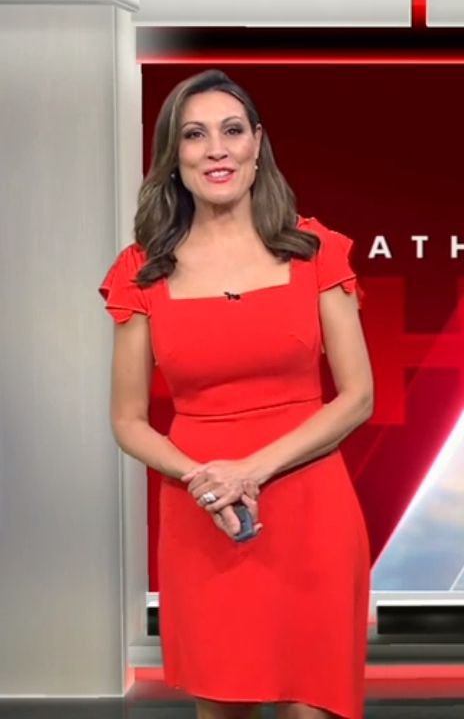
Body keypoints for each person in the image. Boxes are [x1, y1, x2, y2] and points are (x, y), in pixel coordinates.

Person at [98, 69, 374, 719]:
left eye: (231, 131)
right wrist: (205, 480)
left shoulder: (315, 251)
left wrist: (250, 469)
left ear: (257, 144)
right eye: (195, 135)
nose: (216, 149)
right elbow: (128, 420)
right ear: (174, 156)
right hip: (206, 513)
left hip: (311, 508)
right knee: (223, 705)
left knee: (313, 704)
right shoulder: (141, 271)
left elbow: (358, 395)